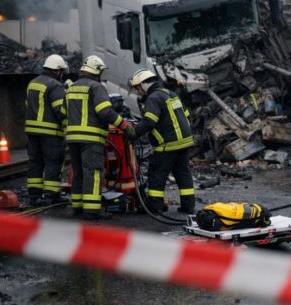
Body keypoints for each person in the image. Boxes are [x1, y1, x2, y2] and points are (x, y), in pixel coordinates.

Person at [66, 55, 133, 219]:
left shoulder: (72, 87)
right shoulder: (96, 87)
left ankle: (78, 207)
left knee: (79, 172)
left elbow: (64, 111)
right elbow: (105, 112)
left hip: (73, 138)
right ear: (96, 71)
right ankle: (92, 211)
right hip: (91, 139)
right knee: (94, 173)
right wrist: (124, 125)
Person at [129, 69, 196, 214]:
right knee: (183, 174)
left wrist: (132, 133)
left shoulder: (153, 97)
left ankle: (154, 206)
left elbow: (149, 121)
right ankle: (188, 206)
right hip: (184, 141)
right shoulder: (171, 94)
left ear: (143, 84)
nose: (138, 92)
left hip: (168, 144)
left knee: (156, 174)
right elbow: (186, 114)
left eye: (137, 88)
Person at [25, 54, 69, 206]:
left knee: (35, 162)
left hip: (32, 132)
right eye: (62, 71)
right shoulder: (55, 85)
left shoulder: (32, 83)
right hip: (50, 133)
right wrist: (68, 127)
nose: (62, 74)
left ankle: (34, 196)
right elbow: (61, 111)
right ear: (57, 70)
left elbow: (28, 106)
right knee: (53, 163)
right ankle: (51, 195)